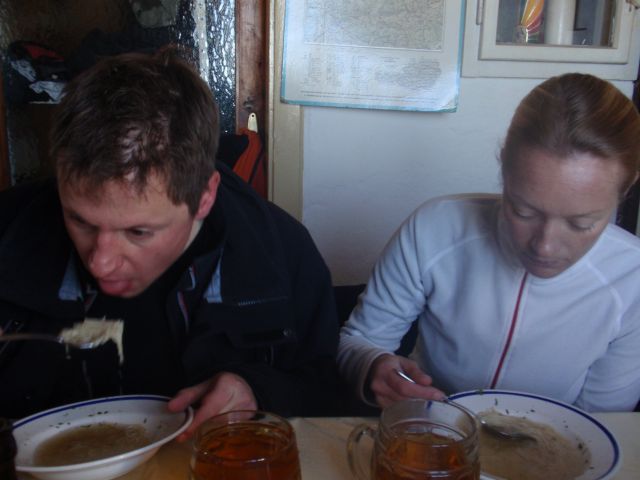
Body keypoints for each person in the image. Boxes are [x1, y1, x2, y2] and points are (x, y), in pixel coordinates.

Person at [0, 47, 344, 436]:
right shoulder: (8, 230)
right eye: (80, 220)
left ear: (204, 197)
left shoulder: (283, 252)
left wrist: (257, 390)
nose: (101, 262)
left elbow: (324, 389)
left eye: (138, 232)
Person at [338, 73, 640, 413]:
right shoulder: (435, 228)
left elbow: (604, 423)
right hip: (431, 431)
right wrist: (373, 366)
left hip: (557, 442)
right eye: (523, 211)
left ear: (626, 188)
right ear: (504, 169)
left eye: (581, 223)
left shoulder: (633, 279)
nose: (545, 247)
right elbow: (359, 342)